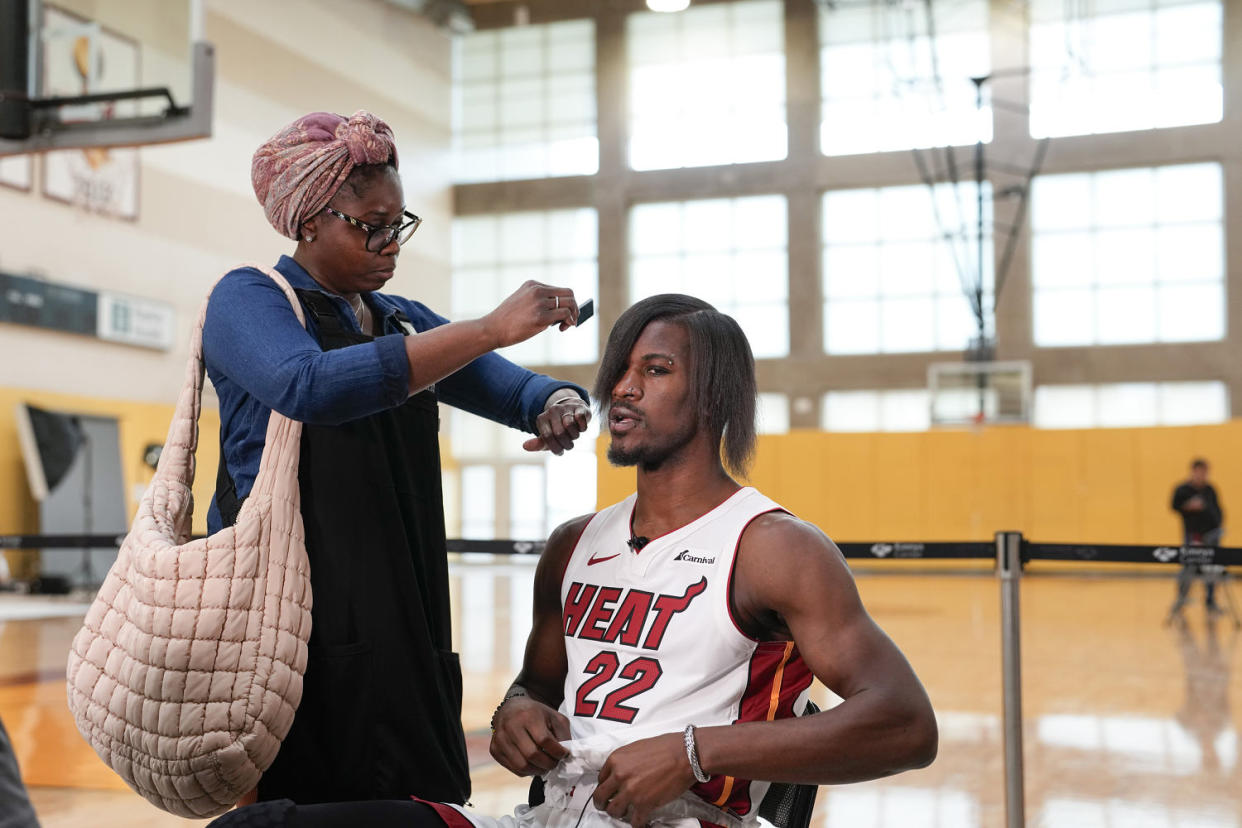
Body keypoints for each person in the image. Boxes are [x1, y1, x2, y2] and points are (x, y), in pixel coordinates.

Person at [212, 294, 936, 828]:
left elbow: (905, 724)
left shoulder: (775, 546)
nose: (622, 388)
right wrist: (518, 711)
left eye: (654, 371)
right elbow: (537, 685)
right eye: (620, 370)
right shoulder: (573, 544)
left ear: (713, 396)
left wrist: (692, 753)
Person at [202, 110, 592, 808]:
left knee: (428, 807)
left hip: (406, 628)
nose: (390, 243)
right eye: (370, 224)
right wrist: (486, 327)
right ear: (311, 220)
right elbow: (308, 385)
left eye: (398, 223)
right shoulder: (251, 299)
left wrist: (554, 399)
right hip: (290, 641)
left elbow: (504, 383)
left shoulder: (399, 318)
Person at [1170, 458, 1225, 614]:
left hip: (1212, 535)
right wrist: (1188, 506)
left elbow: (1218, 510)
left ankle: (1210, 600)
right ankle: (1181, 598)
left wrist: (1218, 527)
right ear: (1193, 471)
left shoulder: (1210, 489)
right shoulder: (1182, 489)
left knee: (1212, 568)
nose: (1202, 475)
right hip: (1192, 535)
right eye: (1199, 471)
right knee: (1187, 567)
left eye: (1205, 472)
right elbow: (1174, 506)